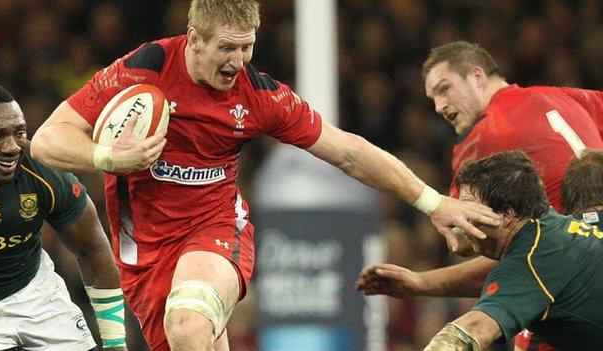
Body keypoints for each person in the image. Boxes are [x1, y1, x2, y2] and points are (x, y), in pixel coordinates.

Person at [29, 2, 500, 350]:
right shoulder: (143, 69)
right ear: (194, 40)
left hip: (213, 230)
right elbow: (47, 140)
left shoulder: (258, 95)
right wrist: (109, 157)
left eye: (246, 46)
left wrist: (435, 203)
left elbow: (349, 152)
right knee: (192, 337)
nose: (237, 61)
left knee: (189, 319)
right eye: (226, 48)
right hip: (144, 253)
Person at [357, 40, 603, 350]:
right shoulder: (561, 96)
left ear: (477, 77)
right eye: (432, 98)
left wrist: (423, 280)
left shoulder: (482, 139)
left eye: (444, 89)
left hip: (560, 284)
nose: (438, 107)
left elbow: (462, 237)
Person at [0, 81, 126, 350]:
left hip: (35, 296)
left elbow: (93, 250)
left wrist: (115, 342)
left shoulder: (41, 172)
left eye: (19, 132)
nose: (12, 147)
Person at [424, 151, 601, 350]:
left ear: (506, 214)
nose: (460, 219)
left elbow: (472, 330)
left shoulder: (529, 261)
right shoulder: (566, 227)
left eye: (469, 209)